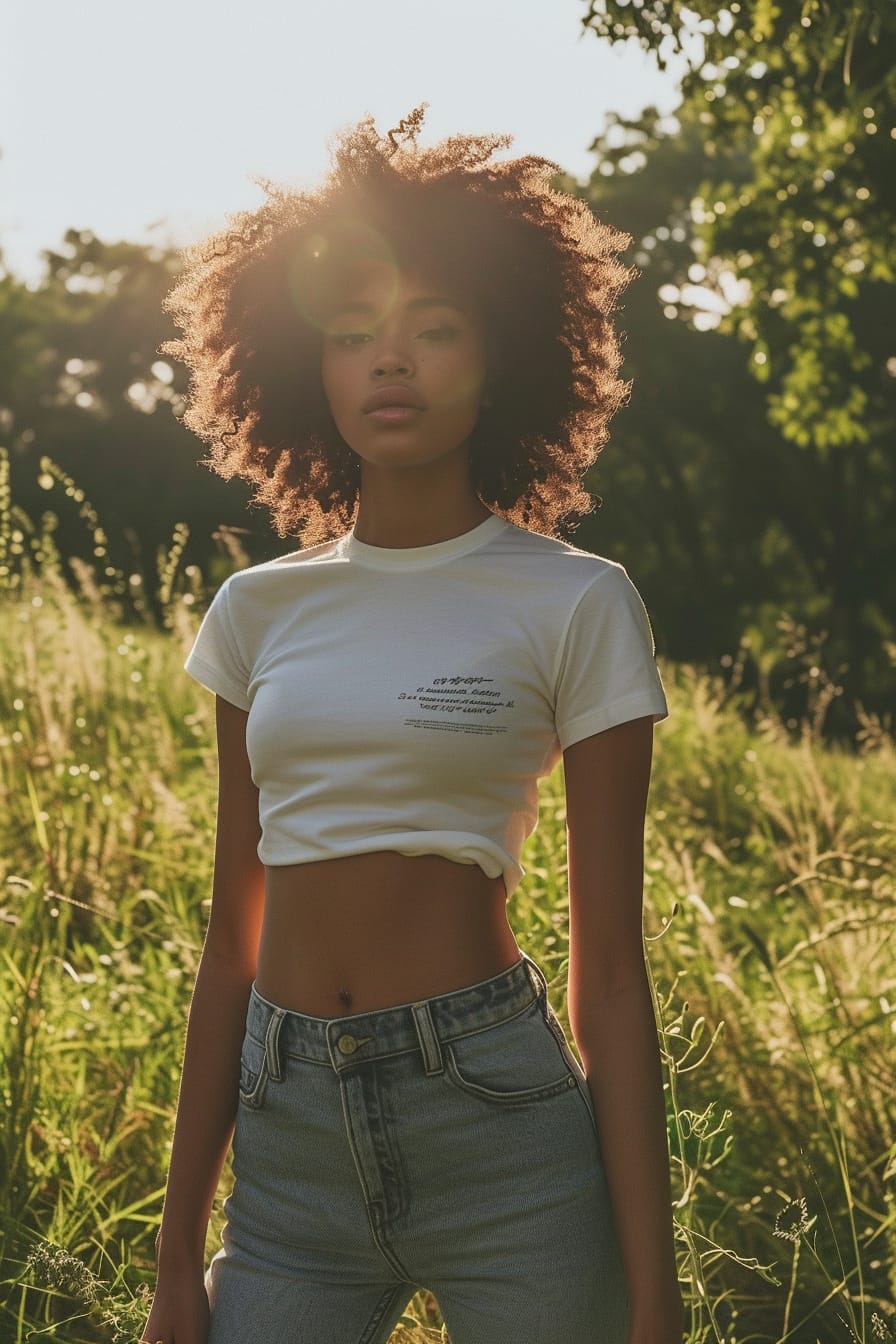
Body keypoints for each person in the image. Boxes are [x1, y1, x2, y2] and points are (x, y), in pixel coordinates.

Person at [141, 108, 684, 1344]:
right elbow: (230, 939)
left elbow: (611, 974)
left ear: (500, 360)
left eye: (433, 330)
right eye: (352, 335)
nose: (391, 362)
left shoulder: (576, 601)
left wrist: (654, 1304)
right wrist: (179, 1253)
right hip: (287, 1166)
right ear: (305, 368)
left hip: (499, 1131)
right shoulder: (255, 612)